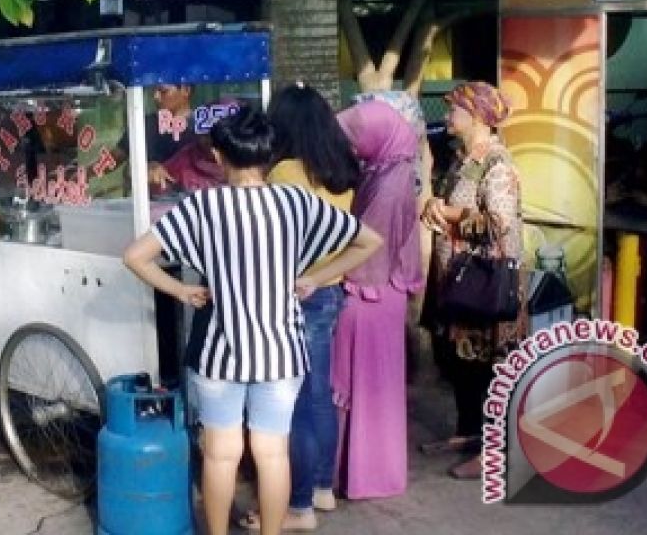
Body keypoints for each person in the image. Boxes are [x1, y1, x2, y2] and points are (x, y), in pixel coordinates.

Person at [123, 107, 382, 535]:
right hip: (281, 351)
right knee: (272, 453)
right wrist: (314, 278)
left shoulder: (204, 206)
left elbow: (135, 256)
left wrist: (182, 291)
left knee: (221, 454)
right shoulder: (295, 202)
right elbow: (369, 241)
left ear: (221, 157)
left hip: (222, 353)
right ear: (267, 157)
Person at [243, 85, 359, 531]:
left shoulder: (286, 173)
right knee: (319, 397)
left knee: (297, 407)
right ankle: (322, 488)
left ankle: (298, 506)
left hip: (299, 294)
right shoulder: (339, 168)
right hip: (330, 290)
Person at [419, 81, 526, 480]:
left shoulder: (497, 165)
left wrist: (447, 214)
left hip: (484, 284)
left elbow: (498, 225)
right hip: (459, 282)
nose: (448, 116)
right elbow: (455, 208)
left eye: (455, 110)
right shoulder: (464, 159)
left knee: (488, 367)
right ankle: (467, 434)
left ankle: (492, 450)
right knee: (462, 362)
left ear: (478, 116)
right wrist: (436, 206)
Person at [329, 99, 424, 500]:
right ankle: (363, 472)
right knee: (370, 385)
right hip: (380, 292)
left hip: (370, 293)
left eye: (356, 138)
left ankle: (363, 474)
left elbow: (370, 251)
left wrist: (328, 276)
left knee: (362, 386)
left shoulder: (389, 183)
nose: (352, 146)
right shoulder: (386, 170)